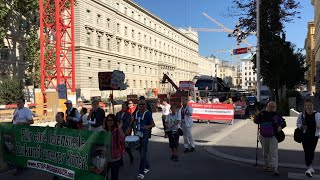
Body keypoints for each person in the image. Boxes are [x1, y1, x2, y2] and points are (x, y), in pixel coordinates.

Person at [253, 101, 286, 176]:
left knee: (273, 152)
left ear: (275, 108)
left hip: (273, 136)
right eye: (270, 106)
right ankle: (268, 165)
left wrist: (280, 127)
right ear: (267, 106)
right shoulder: (262, 113)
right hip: (263, 136)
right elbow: (256, 121)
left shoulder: (276, 115)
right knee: (265, 152)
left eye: (273, 106)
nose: (271, 108)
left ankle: (275, 168)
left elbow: (283, 123)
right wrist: (257, 115)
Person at [296, 99, 320, 177]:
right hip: (305, 136)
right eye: (307, 105)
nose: (309, 107)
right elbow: (298, 124)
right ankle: (308, 169)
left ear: (313, 106)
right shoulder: (302, 115)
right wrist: (302, 126)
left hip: (314, 136)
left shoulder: (317, 114)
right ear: (305, 106)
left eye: (310, 105)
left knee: (312, 151)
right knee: (307, 152)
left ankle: (310, 166)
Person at [12, 97, 34, 176]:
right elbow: (14, 120)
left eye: (20, 102)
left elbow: (31, 121)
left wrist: (22, 123)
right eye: (17, 102)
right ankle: (23, 165)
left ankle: (20, 168)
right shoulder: (16, 110)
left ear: (23, 103)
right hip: (16, 132)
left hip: (23, 133)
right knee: (18, 150)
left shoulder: (26, 110)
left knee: (20, 150)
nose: (18, 104)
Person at [134, 99, 155, 180]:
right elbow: (134, 122)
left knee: (142, 154)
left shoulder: (148, 113)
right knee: (141, 154)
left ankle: (141, 173)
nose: (141, 106)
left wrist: (147, 127)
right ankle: (146, 166)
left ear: (146, 105)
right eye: (140, 104)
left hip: (144, 136)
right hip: (137, 136)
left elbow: (153, 124)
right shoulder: (136, 113)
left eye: (143, 104)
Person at [103, 114, 125, 180]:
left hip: (115, 158)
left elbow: (122, 139)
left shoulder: (116, 130)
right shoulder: (103, 131)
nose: (109, 122)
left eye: (111, 120)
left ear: (114, 121)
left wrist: (119, 128)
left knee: (114, 177)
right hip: (105, 159)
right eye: (108, 120)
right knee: (104, 177)